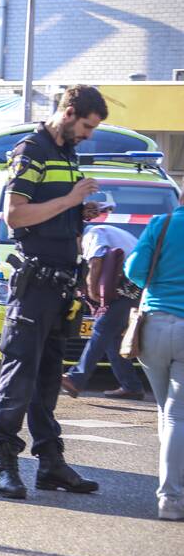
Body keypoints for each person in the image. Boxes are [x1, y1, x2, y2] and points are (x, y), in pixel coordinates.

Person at [0, 85, 106, 499]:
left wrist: (80, 210)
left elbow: (54, 208)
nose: (89, 135)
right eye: (88, 126)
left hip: (61, 284)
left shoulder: (67, 153)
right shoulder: (31, 150)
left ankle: (50, 464)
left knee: (47, 381)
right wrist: (71, 198)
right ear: (70, 112)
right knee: (19, 375)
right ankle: (5, 464)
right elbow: (16, 214)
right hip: (36, 282)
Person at [125, 193, 184, 520]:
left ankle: (172, 491)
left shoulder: (160, 224)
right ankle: (172, 497)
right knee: (178, 415)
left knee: (167, 412)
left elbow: (134, 269)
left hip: (154, 327)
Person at [61, 223, 145, 400]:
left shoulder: (93, 233)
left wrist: (93, 291)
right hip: (134, 287)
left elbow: (96, 262)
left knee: (101, 329)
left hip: (130, 289)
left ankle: (76, 378)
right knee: (111, 337)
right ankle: (131, 386)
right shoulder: (105, 232)